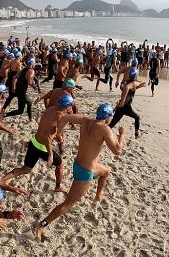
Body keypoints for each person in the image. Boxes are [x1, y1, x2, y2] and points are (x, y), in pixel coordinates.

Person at [35, 103, 126, 241]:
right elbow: (117, 151)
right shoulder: (105, 129)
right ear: (107, 117)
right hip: (85, 172)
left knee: (106, 171)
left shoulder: (85, 120)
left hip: (78, 164)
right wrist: (122, 135)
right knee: (67, 204)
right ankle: (41, 225)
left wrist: (58, 133)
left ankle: (98, 195)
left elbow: (65, 118)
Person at [2, 95, 77, 193]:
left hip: (34, 142)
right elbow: (47, 137)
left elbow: (48, 128)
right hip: (43, 147)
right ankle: (58, 186)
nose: (71, 107)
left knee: (26, 169)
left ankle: (1, 180)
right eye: (70, 105)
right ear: (66, 106)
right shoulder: (60, 117)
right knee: (60, 165)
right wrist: (50, 154)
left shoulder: (50, 109)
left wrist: (57, 136)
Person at [109, 68, 146, 138]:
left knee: (111, 125)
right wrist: (123, 101)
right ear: (135, 76)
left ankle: (101, 133)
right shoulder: (133, 82)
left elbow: (130, 88)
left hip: (121, 107)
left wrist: (139, 87)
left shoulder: (127, 81)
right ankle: (137, 134)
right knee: (137, 117)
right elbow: (127, 87)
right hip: (126, 106)